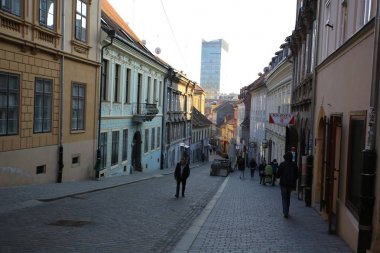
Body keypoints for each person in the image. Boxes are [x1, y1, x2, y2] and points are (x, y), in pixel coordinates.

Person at [277, 152, 299, 218]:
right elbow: (297, 175)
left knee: (284, 198)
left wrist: (278, 176)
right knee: (288, 197)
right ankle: (287, 210)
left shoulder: (282, 164)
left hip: (283, 184)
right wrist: (293, 180)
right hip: (290, 184)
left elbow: (278, 175)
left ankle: (285, 212)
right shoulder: (294, 165)